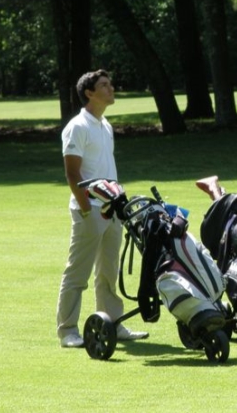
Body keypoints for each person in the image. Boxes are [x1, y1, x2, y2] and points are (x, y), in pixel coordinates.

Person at [56, 70, 148, 347]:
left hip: (112, 209)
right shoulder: (78, 127)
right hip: (90, 209)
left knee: (109, 272)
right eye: (104, 86)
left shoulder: (105, 125)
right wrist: (86, 210)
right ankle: (68, 331)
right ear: (89, 93)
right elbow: (72, 174)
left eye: (110, 84)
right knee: (78, 273)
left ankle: (113, 323)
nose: (112, 89)